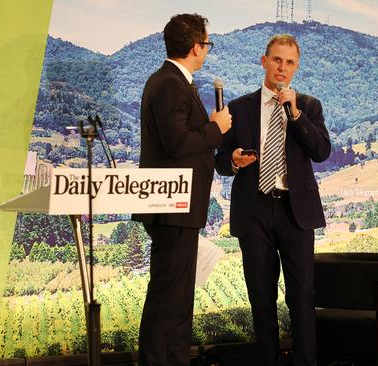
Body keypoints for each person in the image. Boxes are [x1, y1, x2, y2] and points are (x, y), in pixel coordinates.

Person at [215, 34, 330, 366]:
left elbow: (321, 152)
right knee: (261, 300)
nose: (282, 67)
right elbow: (219, 160)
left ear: (296, 67)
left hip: (296, 213)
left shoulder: (308, 106)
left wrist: (294, 114)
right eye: (277, 60)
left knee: (302, 298)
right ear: (263, 61)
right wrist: (233, 160)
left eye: (290, 62)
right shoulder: (237, 108)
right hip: (255, 213)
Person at [131, 13, 232, 366]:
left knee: (175, 303)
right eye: (207, 44)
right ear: (195, 47)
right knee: (167, 303)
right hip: (172, 207)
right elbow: (177, 143)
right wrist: (216, 128)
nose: (207, 51)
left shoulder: (172, 81)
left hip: (178, 208)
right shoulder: (171, 83)